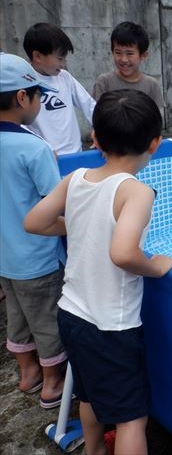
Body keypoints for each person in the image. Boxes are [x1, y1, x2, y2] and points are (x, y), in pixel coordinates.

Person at [24, 89, 172, 455]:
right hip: (112, 326)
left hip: (72, 313)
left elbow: (34, 222)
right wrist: (155, 266)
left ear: (94, 138)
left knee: (90, 394)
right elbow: (123, 253)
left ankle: (92, 451)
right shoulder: (136, 192)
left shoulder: (76, 177)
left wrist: (79, 224)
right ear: (155, 143)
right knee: (130, 418)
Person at [0, 53, 67, 409]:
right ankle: (52, 384)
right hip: (37, 258)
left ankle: (27, 375)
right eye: (37, 94)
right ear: (22, 98)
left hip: (5, 258)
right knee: (47, 321)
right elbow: (54, 203)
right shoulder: (33, 148)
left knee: (18, 315)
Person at [23, 22, 96, 155]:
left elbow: (89, 105)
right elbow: (20, 126)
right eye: (60, 59)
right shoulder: (24, 84)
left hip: (76, 155)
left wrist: (102, 130)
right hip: (46, 158)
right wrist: (44, 148)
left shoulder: (65, 78)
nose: (63, 65)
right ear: (37, 56)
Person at [93, 21, 165, 114]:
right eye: (118, 53)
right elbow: (96, 114)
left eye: (129, 53)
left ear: (143, 55)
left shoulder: (152, 85)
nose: (123, 59)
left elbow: (157, 118)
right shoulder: (104, 82)